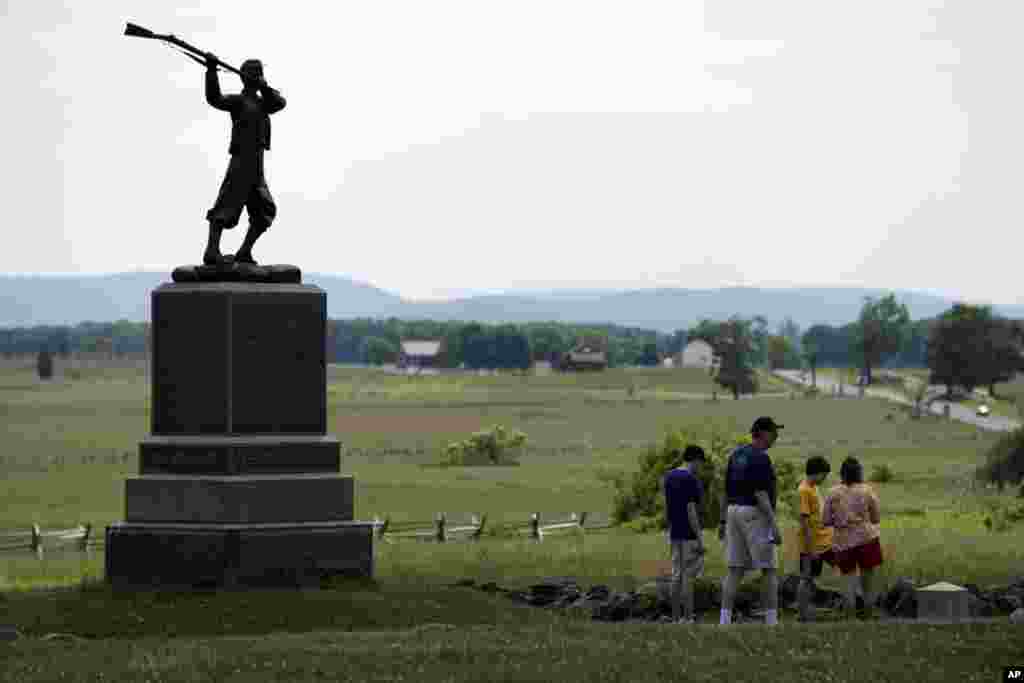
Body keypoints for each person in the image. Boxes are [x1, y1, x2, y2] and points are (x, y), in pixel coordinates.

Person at [203, 53, 287, 266]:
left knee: (265, 211)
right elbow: (215, 99)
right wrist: (211, 71)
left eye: (261, 72)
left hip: (257, 165)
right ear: (245, 76)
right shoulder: (239, 101)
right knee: (227, 204)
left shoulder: (263, 103)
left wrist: (265, 86)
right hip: (241, 161)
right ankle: (212, 251)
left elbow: (280, 103)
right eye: (255, 72)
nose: (260, 75)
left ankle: (244, 252)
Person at [718, 417, 783, 626]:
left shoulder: (736, 455)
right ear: (763, 434)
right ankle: (772, 622)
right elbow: (761, 493)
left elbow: (726, 491)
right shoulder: (761, 458)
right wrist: (774, 524)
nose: (776, 437)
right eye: (774, 432)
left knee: (734, 569)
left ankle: (724, 621)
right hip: (754, 513)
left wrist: (722, 521)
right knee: (769, 569)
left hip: (733, 512)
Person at [822, 456, 883, 619]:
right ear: (859, 473)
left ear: (842, 474)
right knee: (868, 582)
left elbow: (826, 520)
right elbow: (876, 518)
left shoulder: (832, 493)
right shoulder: (867, 491)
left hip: (843, 542)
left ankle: (850, 617)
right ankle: (868, 615)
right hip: (867, 539)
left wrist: (841, 521)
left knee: (848, 580)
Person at [664, 445, 707, 624]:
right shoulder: (690, 478)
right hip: (689, 534)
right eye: (701, 463)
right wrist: (700, 537)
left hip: (675, 532)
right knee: (688, 576)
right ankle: (688, 617)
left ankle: (675, 618)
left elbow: (668, 507)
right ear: (695, 460)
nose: (701, 467)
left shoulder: (669, 476)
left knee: (676, 575)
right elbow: (691, 510)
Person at [796, 455, 836, 622]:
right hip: (812, 544)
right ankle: (803, 614)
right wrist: (811, 548)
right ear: (816, 473)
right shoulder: (804, 490)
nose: (824, 479)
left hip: (825, 542)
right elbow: (804, 521)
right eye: (824, 475)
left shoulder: (813, 488)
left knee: (846, 567)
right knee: (806, 578)